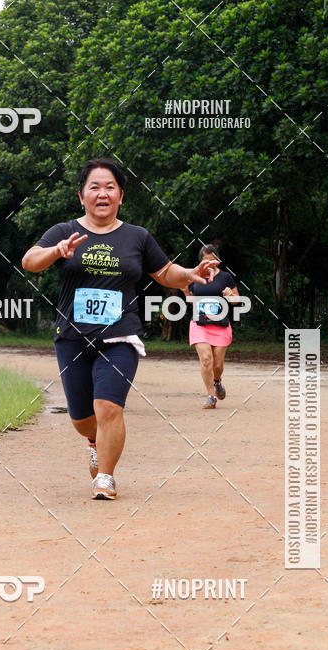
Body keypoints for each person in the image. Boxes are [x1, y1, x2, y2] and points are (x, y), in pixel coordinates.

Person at [22, 157, 218, 500]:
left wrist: (189, 274)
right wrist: (56, 251)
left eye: (110, 187)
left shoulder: (137, 237)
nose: (103, 193)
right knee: (82, 417)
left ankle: (106, 477)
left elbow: (164, 272)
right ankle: (94, 440)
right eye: (94, 187)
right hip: (72, 336)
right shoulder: (64, 231)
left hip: (120, 335)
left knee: (109, 406)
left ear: (121, 196)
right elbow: (29, 261)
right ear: (81, 195)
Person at [186, 244, 241, 409]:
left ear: (217, 260)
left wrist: (230, 295)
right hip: (199, 324)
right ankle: (210, 396)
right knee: (206, 360)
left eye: (212, 260)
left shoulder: (225, 277)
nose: (209, 263)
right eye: (206, 260)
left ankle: (217, 381)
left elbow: (237, 300)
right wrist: (185, 292)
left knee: (217, 365)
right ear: (200, 262)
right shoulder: (195, 277)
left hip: (220, 325)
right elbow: (192, 301)